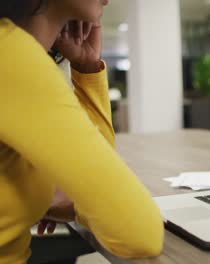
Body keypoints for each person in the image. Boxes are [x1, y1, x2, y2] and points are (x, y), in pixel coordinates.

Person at [0, 1, 164, 263]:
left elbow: (97, 176)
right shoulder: (10, 54)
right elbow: (140, 234)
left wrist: (87, 68)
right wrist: (78, 205)